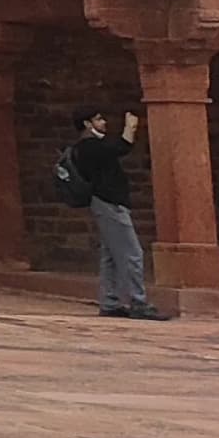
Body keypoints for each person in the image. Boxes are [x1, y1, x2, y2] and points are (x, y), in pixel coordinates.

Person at [68, 107, 169, 321]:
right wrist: (130, 127)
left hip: (107, 203)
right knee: (132, 253)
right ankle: (137, 301)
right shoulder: (90, 147)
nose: (103, 122)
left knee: (111, 255)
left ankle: (110, 301)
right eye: (98, 119)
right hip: (109, 203)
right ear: (87, 124)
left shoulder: (88, 147)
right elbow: (122, 147)